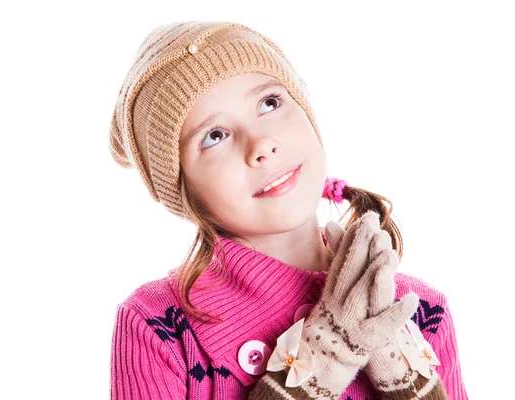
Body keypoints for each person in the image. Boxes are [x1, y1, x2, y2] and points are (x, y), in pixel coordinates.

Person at [109, 21, 468, 399]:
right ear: (184, 190)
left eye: (270, 103)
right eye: (214, 136)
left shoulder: (422, 312)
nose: (262, 143)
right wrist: (320, 360)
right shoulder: (157, 327)